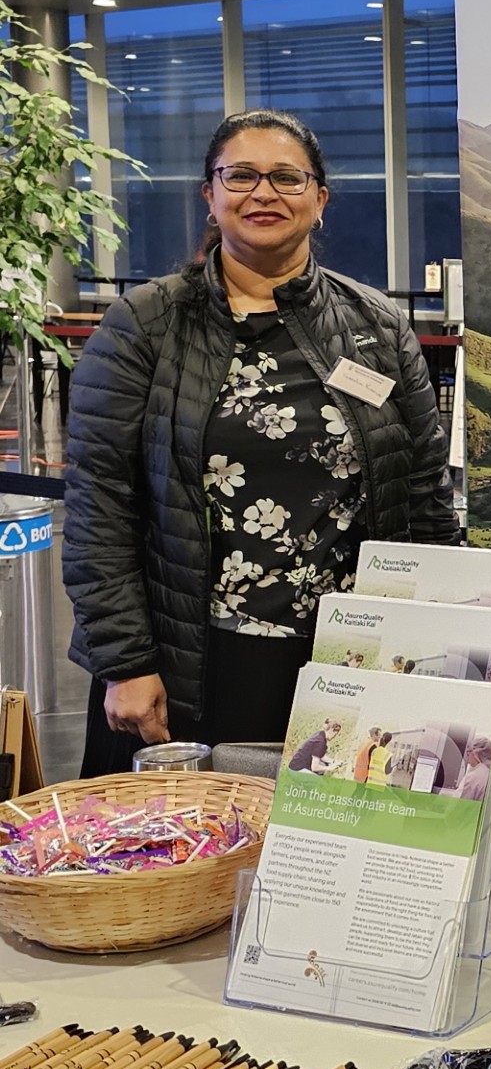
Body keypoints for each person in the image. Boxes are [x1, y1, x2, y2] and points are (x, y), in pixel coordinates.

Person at [64, 110, 459, 776]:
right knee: (198, 861)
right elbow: (98, 508)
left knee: (327, 856)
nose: (263, 193)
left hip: (349, 654)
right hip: (195, 661)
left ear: (321, 199)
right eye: (240, 175)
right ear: (209, 196)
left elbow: (425, 498)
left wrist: (440, 641)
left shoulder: (378, 326)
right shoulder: (144, 326)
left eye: (286, 177)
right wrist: (125, 662)